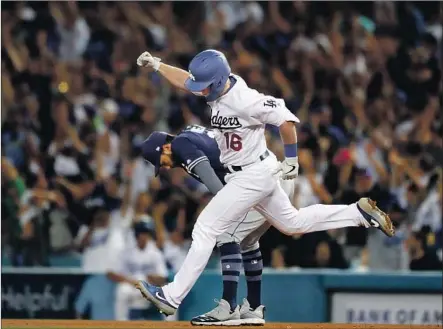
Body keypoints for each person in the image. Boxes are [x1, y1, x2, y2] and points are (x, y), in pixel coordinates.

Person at [135, 49, 394, 317]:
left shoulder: (246, 100)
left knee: (206, 228)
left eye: (205, 86)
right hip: (256, 171)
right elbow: (187, 81)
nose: (200, 91)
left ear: (219, 78)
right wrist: (157, 65)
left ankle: (171, 296)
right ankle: (358, 213)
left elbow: (286, 122)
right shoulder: (215, 85)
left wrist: (292, 159)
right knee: (292, 223)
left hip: (252, 174)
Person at [141, 124, 296, 325]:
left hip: (263, 180)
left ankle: (229, 306)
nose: (165, 167)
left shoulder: (181, 144)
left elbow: (217, 187)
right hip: (274, 174)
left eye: (160, 161)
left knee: (226, 233)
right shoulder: (191, 135)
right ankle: (254, 308)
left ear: (165, 148)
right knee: (247, 241)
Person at [107, 220, 168, 321]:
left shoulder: (155, 253)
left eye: (147, 233)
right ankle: (121, 324)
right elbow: (110, 273)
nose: (145, 236)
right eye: (142, 233)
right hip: (131, 286)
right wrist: (129, 281)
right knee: (122, 291)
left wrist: (152, 278)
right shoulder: (127, 252)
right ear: (136, 234)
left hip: (150, 286)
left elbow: (163, 277)